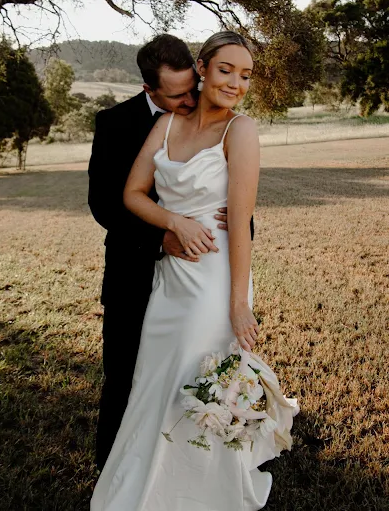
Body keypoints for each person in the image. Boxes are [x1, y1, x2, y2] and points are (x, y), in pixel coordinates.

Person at [90, 32, 297, 511]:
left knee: (197, 372)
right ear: (203, 68)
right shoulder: (159, 124)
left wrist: (239, 302)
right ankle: (143, 480)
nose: (236, 83)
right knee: (152, 378)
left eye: (245, 75)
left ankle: (201, 488)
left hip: (212, 276)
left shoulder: (240, 130)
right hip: (164, 275)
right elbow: (124, 196)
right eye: (226, 69)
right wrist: (174, 223)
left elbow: (240, 223)